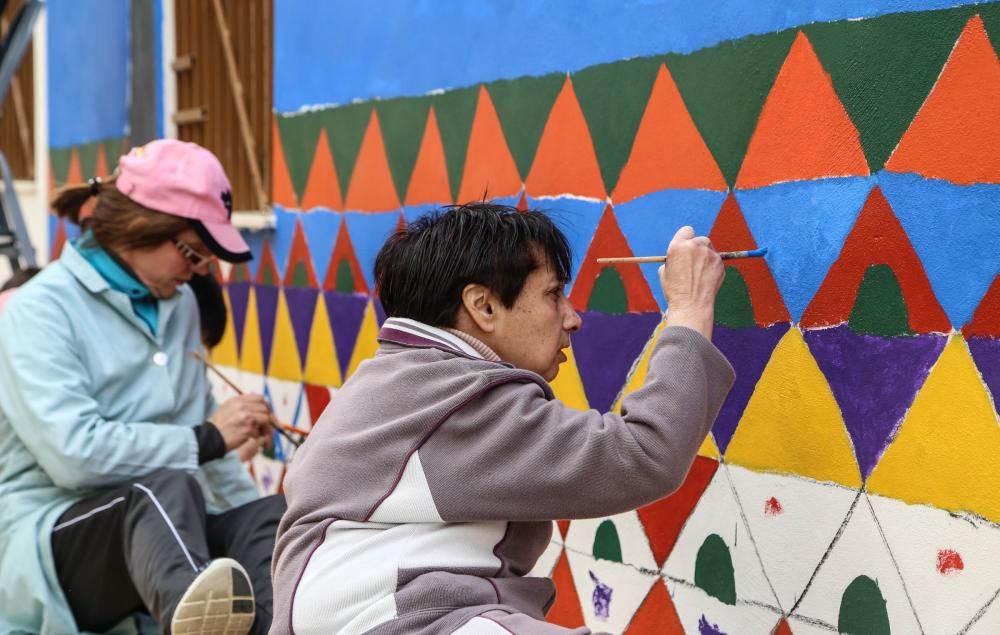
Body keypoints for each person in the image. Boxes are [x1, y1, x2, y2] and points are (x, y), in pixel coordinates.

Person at [269, 203, 735, 634]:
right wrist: (689, 308)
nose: (572, 319)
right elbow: (643, 454)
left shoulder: (402, 380)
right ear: (483, 307)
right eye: (554, 294)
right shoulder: (452, 400)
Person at [0, 139, 285, 635]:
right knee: (165, 490)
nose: (199, 271)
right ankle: (195, 626)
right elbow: (74, 455)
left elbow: (211, 460)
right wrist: (205, 439)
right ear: (139, 226)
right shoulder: (37, 310)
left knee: (270, 517)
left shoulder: (181, 308)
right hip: (54, 539)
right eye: (193, 253)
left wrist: (259, 523)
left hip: (165, 534)